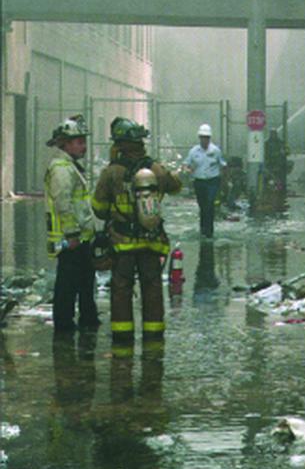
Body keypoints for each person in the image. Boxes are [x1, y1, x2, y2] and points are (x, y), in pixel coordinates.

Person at [92, 117, 181, 341]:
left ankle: (123, 339)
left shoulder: (111, 172)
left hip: (122, 243)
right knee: (152, 288)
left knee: (121, 290)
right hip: (151, 242)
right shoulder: (155, 169)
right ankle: (153, 337)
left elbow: (99, 209)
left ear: (120, 144)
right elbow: (176, 187)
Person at [44, 115, 99, 331]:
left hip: (82, 237)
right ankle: (64, 325)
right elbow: (63, 204)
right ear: (65, 144)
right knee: (67, 284)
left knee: (85, 281)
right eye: (79, 142)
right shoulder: (61, 169)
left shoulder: (70, 166)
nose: (83, 146)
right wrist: (72, 234)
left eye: (83, 141)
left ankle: (88, 319)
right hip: (71, 240)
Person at [182, 124, 226, 238]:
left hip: (212, 181)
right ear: (199, 137)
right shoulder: (194, 151)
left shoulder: (216, 151)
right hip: (199, 182)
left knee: (209, 204)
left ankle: (209, 231)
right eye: (202, 137)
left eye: (206, 137)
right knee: (202, 206)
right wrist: (188, 170)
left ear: (209, 138)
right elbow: (186, 164)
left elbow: (223, 165)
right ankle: (203, 230)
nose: (204, 139)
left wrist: (224, 181)